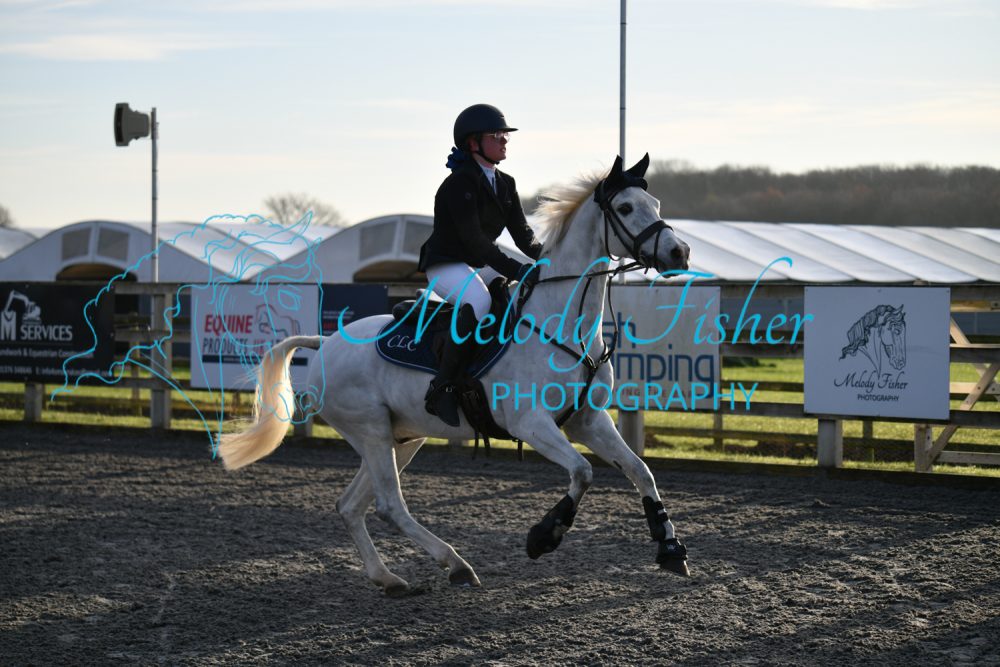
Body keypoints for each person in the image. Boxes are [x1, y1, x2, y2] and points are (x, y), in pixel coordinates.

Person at [417, 103, 543, 426]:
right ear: (473, 143)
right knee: (479, 301)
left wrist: (550, 259)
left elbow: (523, 236)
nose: (504, 140)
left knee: (511, 296)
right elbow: (476, 241)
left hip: (476, 263)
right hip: (446, 264)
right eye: (496, 135)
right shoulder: (458, 184)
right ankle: (442, 387)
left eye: (505, 135)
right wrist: (517, 270)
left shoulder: (506, 183)